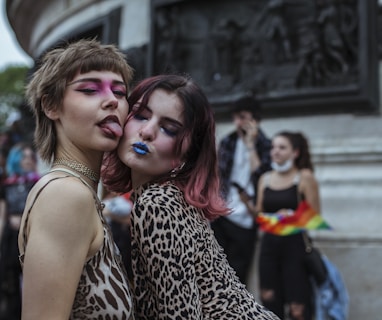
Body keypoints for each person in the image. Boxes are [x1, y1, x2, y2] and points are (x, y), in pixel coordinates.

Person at [102, 74, 280, 319]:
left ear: (187, 152)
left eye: (169, 128)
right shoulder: (169, 196)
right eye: (141, 115)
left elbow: (180, 314)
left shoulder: (156, 203)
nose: (147, 131)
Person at [17, 39, 134, 319]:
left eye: (119, 91)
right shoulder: (66, 196)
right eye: (90, 90)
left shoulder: (76, 190)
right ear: (51, 106)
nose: (111, 100)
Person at [255, 131, 320, 320]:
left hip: (295, 249)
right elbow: (259, 215)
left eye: (282, 147)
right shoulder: (265, 179)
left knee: (297, 309)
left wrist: (291, 217)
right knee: (269, 301)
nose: (275, 151)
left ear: (295, 152)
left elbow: (315, 217)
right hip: (269, 247)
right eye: (273, 147)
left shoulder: (304, 177)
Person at [211, 96, 272, 286]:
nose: (238, 122)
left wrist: (250, 145)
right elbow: (218, 176)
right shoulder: (228, 141)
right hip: (222, 214)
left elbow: (263, 176)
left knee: (238, 275)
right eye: (235, 117)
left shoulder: (265, 145)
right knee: (215, 271)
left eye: (243, 117)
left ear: (255, 120)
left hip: (247, 216)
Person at [0, 143, 40, 320]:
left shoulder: (40, 183)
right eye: (24, 157)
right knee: (11, 284)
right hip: (11, 239)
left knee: (35, 282)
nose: (28, 160)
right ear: (16, 160)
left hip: (34, 238)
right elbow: (2, 215)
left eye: (31, 156)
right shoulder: (6, 185)